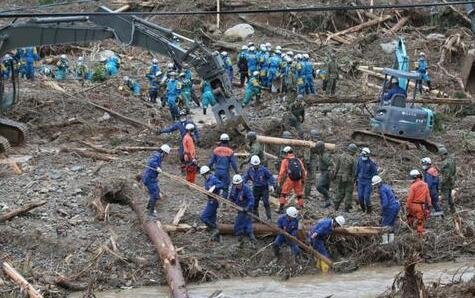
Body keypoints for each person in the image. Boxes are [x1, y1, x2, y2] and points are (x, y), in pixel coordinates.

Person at [243, 155, 275, 220]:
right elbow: (246, 178)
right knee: (254, 204)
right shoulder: (250, 170)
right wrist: (242, 184)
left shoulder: (263, 169)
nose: (256, 166)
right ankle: (256, 218)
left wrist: (271, 185)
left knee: (266, 203)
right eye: (254, 165)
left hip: (264, 188)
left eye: (257, 165)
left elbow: (270, 176)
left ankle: (269, 218)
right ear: (251, 164)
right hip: (256, 188)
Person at [143, 144, 171, 217]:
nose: (166, 156)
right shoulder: (157, 155)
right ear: (164, 152)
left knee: (156, 192)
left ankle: (149, 207)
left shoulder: (159, 156)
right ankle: (150, 212)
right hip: (149, 178)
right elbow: (152, 162)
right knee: (155, 194)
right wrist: (157, 167)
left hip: (152, 178)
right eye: (166, 154)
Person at [229, 174, 256, 248]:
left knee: (247, 225)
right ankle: (240, 243)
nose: (238, 185)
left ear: (242, 182)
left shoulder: (246, 189)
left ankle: (253, 242)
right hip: (240, 209)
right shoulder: (233, 189)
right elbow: (231, 197)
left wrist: (247, 208)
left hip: (247, 210)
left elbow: (252, 200)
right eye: (236, 184)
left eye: (239, 184)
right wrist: (231, 202)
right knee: (238, 225)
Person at [208, 133, 239, 198]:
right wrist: (237, 172)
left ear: (220, 141)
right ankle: (224, 203)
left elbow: (211, 161)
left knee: (216, 185)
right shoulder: (230, 151)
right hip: (225, 172)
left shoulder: (216, 150)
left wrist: (209, 168)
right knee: (225, 188)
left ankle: (215, 200)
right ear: (228, 141)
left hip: (217, 171)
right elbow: (233, 163)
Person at [277, 146, 307, 212]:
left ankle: (281, 208)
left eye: (284, 153)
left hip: (289, 180)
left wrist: (279, 180)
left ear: (287, 153)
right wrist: (303, 180)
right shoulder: (298, 160)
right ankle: (302, 208)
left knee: (283, 194)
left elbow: (282, 172)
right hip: (298, 180)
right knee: (299, 195)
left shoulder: (285, 161)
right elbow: (303, 170)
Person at [372, 175, 400, 244]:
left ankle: (385, 241)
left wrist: (383, 210)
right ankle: (391, 241)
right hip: (395, 206)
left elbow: (385, 202)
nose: (375, 186)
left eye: (375, 185)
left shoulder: (382, 190)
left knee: (384, 225)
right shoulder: (386, 186)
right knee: (391, 224)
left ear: (377, 183)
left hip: (390, 208)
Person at [199, 165, 225, 242]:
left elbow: (222, 184)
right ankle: (217, 237)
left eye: (204, 175)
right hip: (210, 200)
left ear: (206, 174)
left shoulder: (213, 179)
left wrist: (214, 187)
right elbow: (208, 190)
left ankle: (214, 229)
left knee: (204, 217)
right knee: (212, 220)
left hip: (214, 201)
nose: (204, 177)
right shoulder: (206, 180)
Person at [333, 143, 358, 212]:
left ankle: (336, 206)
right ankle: (346, 208)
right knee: (348, 193)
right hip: (348, 178)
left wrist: (334, 176)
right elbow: (354, 171)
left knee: (340, 191)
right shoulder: (353, 160)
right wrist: (354, 179)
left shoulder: (340, 156)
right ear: (353, 152)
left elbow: (336, 168)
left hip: (339, 177)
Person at [406, 169, 432, 235]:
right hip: (420, 206)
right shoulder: (425, 184)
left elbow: (410, 198)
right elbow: (428, 195)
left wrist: (407, 206)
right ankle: (420, 234)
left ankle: (409, 231)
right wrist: (429, 204)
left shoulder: (413, 186)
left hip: (412, 204)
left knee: (410, 217)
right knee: (420, 221)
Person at [356, 147, 378, 213]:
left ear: (368, 155)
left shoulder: (371, 164)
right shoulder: (359, 160)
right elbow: (357, 170)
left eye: (364, 155)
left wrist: (372, 181)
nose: (363, 156)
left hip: (368, 182)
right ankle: (363, 209)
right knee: (360, 197)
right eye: (362, 155)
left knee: (366, 197)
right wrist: (355, 178)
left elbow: (375, 174)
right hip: (360, 181)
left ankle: (369, 211)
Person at [303, 129, 321, 200]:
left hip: (313, 162)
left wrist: (316, 165)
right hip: (310, 162)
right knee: (309, 179)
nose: (316, 139)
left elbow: (317, 154)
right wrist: (308, 163)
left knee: (311, 178)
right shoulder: (309, 143)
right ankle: (307, 194)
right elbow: (306, 154)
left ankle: (308, 193)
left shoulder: (314, 143)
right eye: (315, 137)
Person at [315, 141, 333, 208]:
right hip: (324, 172)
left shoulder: (325, 155)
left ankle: (329, 196)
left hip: (326, 173)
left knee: (319, 186)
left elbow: (331, 163)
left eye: (318, 148)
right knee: (325, 187)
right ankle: (327, 202)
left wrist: (329, 171)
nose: (317, 149)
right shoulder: (322, 154)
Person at [439, 148, 456, 213]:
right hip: (451, 182)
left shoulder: (445, 163)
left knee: (444, 199)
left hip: (446, 183)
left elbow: (446, 175)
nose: (440, 157)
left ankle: (445, 213)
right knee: (449, 197)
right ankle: (453, 210)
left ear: (443, 155)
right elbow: (454, 172)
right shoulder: (452, 161)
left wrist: (441, 183)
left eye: (440, 156)